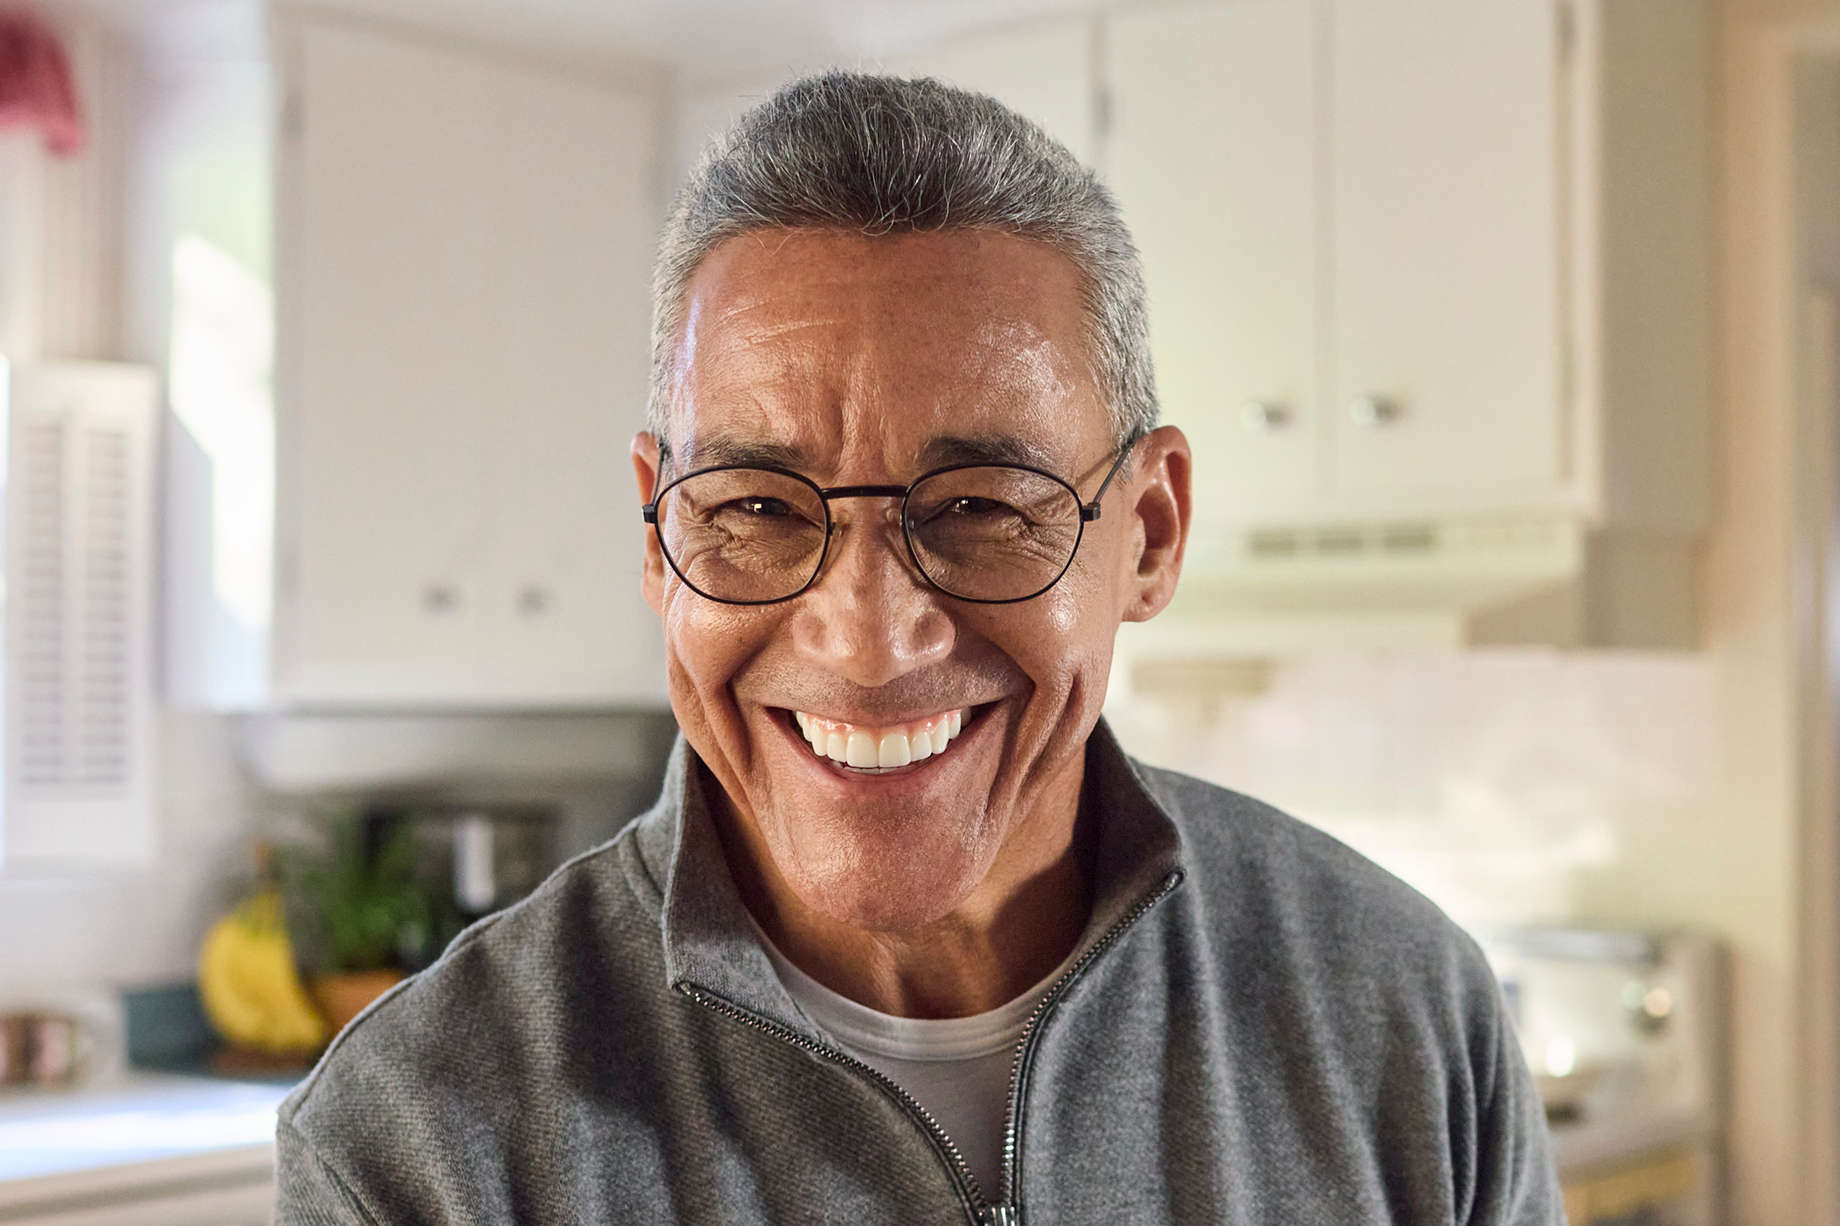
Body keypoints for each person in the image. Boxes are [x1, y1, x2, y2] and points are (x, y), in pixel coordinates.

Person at [276, 72, 1561, 1225]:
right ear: (659, 539)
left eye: (984, 507)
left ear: (1151, 531)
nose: (870, 637)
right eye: (756, 510)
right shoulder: (420, 1139)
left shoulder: (1403, 1013)